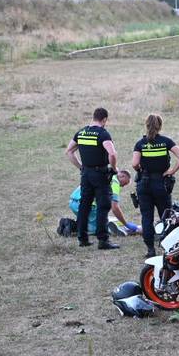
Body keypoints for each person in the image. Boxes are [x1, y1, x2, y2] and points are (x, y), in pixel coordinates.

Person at [64, 107, 120, 250]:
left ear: (93, 117)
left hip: (86, 174)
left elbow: (69, 151)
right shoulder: (103, 134)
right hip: (100, 174)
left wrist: (81, 167)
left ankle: (82, 238)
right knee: (103, 205)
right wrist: (113, 169)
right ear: (104, 119)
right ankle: (103, 240)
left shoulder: (81, 132)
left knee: (85, 205)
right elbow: (112, 154)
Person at [132, 114, 179, 258]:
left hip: (144, 183)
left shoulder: (140, 143)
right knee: (166, 216)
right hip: (161, 183)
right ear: (160, 126)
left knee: (146, 217)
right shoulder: (166, 141)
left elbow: (134, 164)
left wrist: (140, 171)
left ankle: (150, 250)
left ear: (146, 125)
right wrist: (171, 171)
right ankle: (169, 248)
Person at [68, 170, 140, 236]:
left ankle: (70, 224)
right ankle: (71, 227)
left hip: (73, 201)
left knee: (92, 219)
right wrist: (126, 223)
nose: (123, 186)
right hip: (86, 205)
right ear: (122, 176)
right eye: (125, 183)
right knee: (99, 229)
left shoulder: (106, 174)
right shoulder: (115, 183)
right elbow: (115, 208)